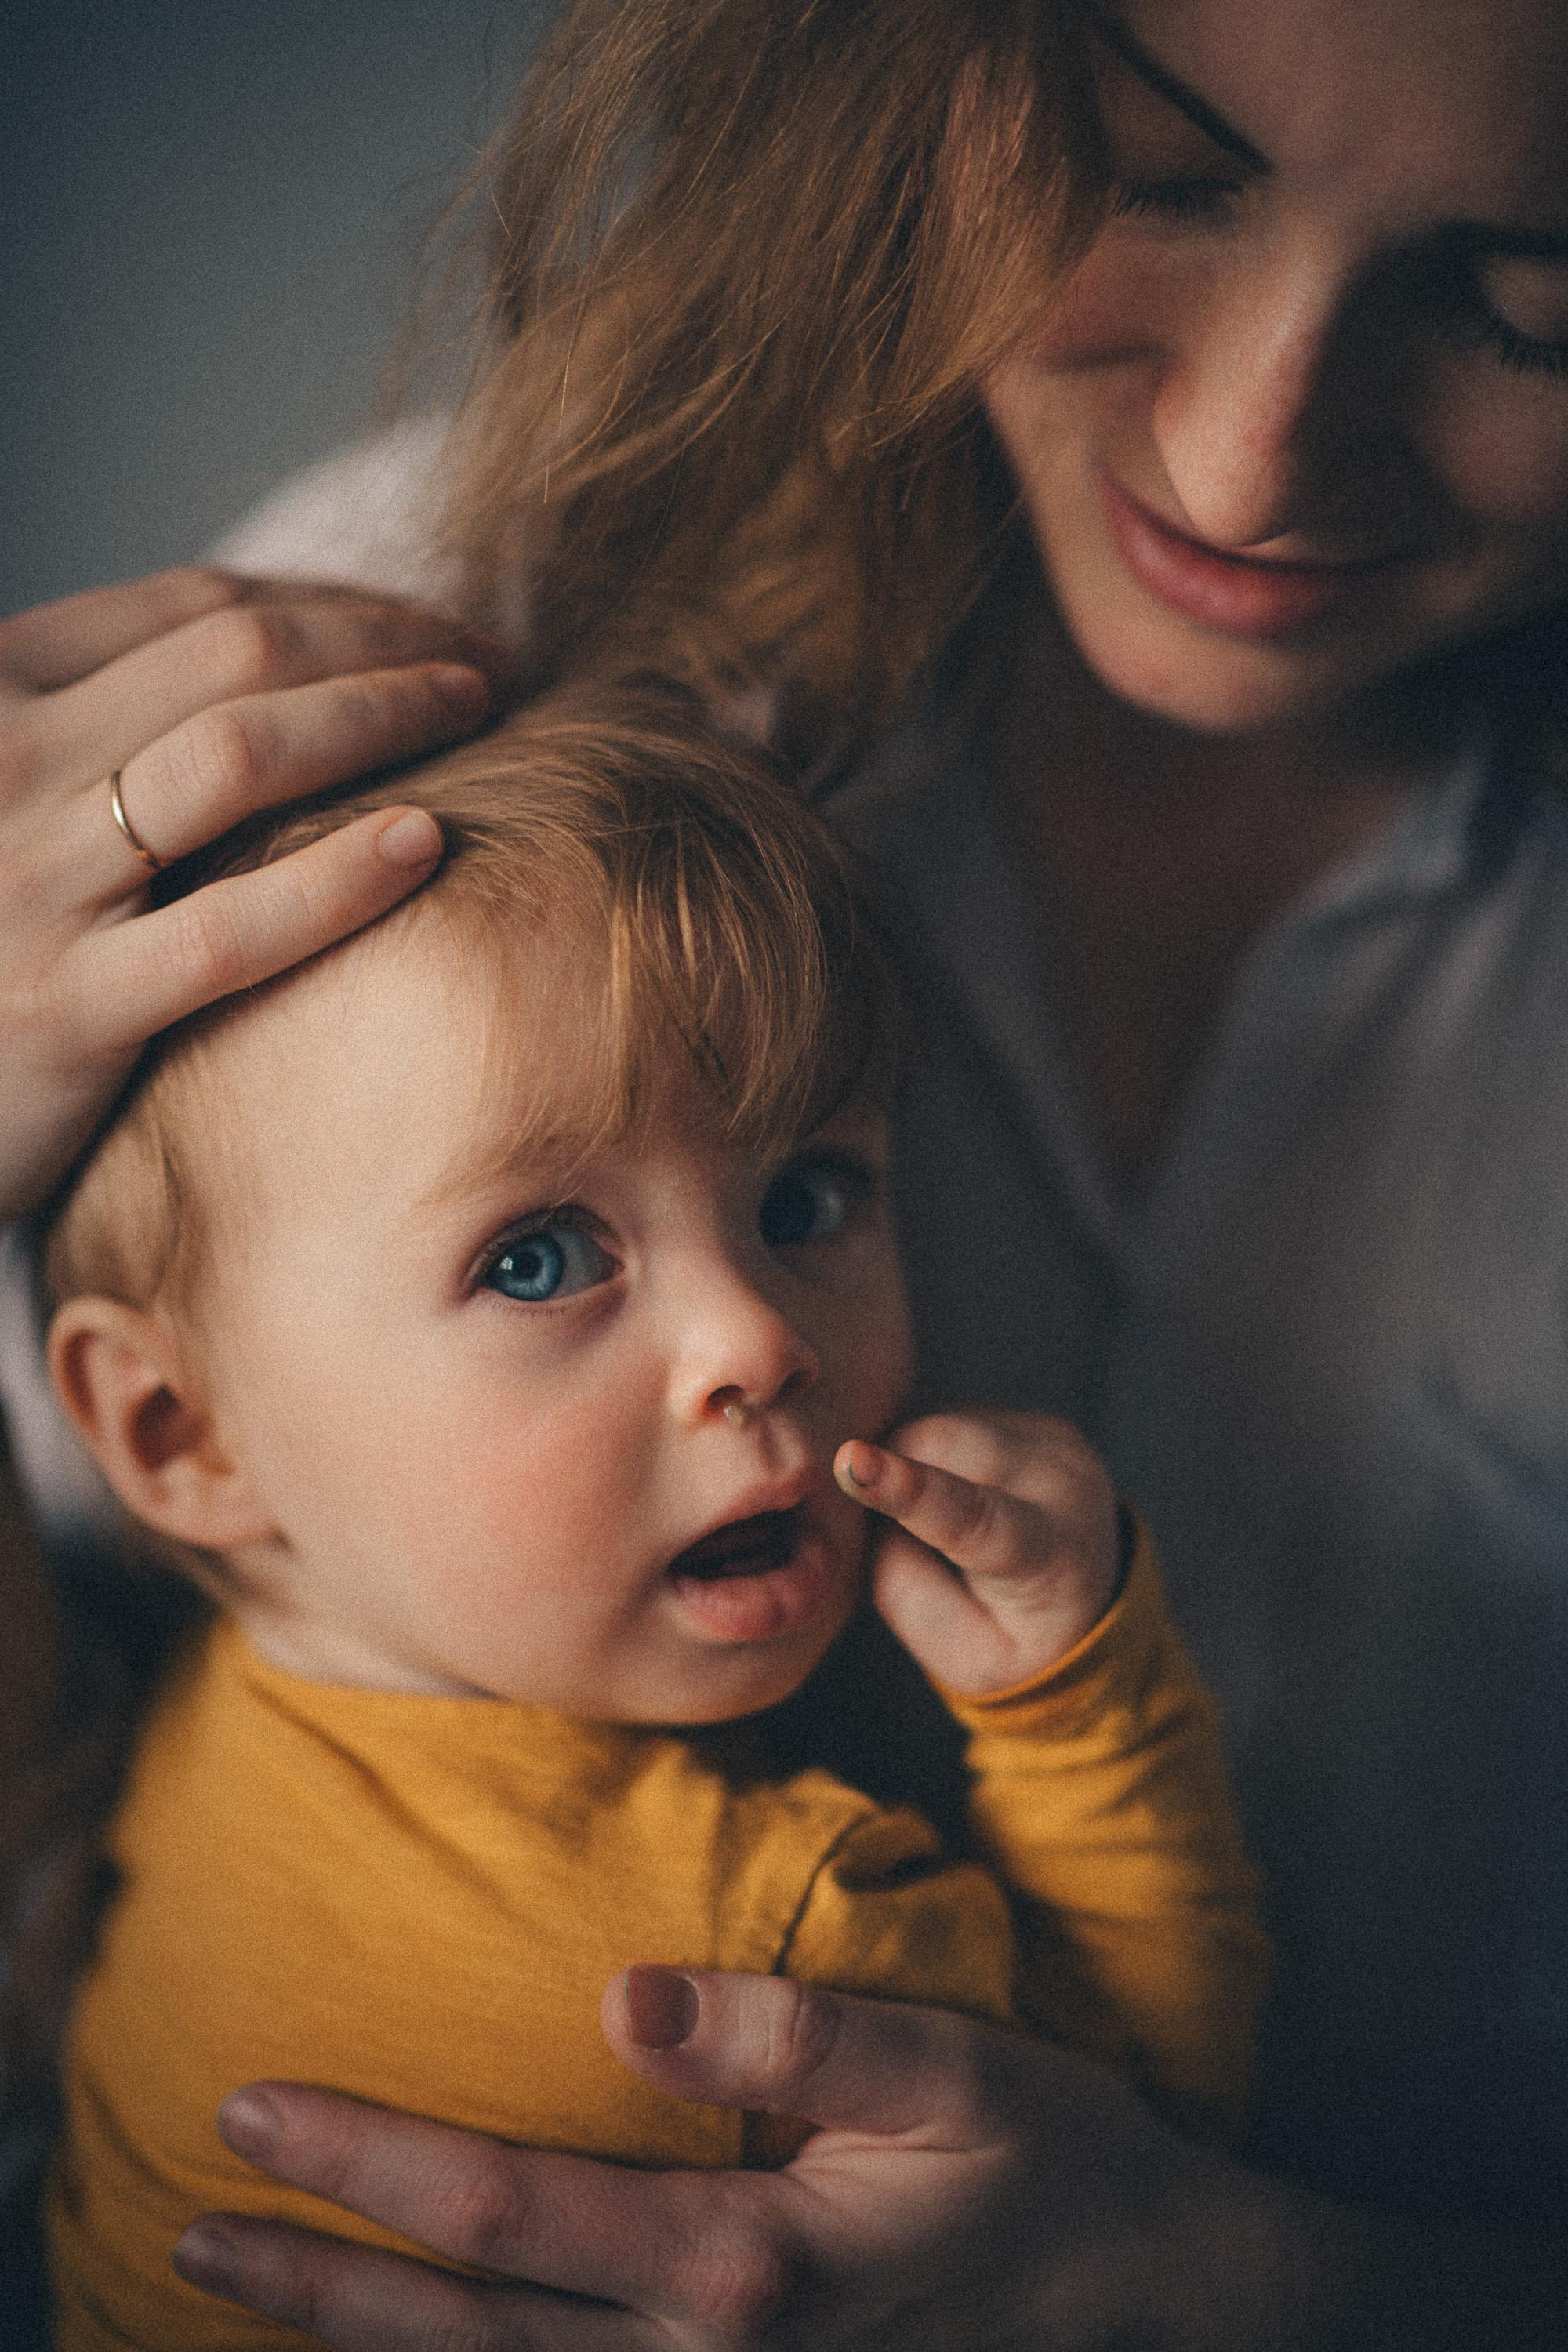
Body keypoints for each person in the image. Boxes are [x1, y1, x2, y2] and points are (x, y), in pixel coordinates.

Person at [6, 0, 1568, 2340]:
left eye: (1537, 301)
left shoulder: (827, 1922)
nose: (1252, 462)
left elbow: (1135, 2063)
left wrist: (1300, 2292)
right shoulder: (440, 656)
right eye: (1149, 171)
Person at [37, 691, 1264, 2348]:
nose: (762, 1340)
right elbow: (1139, 2156)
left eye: (801, 1200)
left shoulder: (222, 1701)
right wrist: (1077, 1704)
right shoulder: (769, 1944)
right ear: (182, 1435)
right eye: (538, 1258)